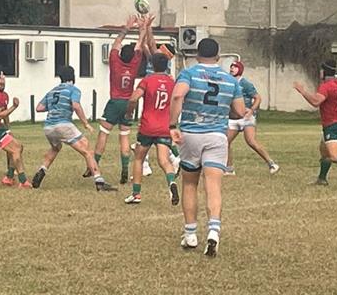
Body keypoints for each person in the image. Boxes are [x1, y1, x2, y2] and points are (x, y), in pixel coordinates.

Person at [172, 38, 246, 256]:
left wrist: (171, 124)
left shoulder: (189, 73)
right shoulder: (230, 80)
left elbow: (178, 95)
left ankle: (190, 234)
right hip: (216, 136)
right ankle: (213, 231)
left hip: (192, 134)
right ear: (218, 56)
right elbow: (240, 111)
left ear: (196, 54)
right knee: (213, 186)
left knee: (189, 184)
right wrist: (224, 112)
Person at [30, 65, 115, 191]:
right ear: (73, 76)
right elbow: (76, 105)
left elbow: (39, 108)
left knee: (55, 148)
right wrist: (85, 123)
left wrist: (55, 106)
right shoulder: (73, 89)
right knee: (87, 149)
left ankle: (42, 170)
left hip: (48, 127)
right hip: (63, 124)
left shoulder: (52, 91)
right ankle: (99, 180)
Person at [92, 16, 148, 185]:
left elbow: (117, 42)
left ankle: (93, 166)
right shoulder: (134, 64)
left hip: (115, 101)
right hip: (129, 102)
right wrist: (142, 28)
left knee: (104, 133)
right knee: (124, 137)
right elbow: (140, 43)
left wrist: (127, 27)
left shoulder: (115, 61)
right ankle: (124, 169)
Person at [123, 52, 179, 205]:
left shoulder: (148, 80)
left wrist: (129, 113)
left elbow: (134, 98)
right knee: (164, 160)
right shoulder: (172, 83)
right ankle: (171, 184)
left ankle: (136, 194)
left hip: (148, 126)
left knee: (139, 159)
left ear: (152, 65)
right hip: (164, 126)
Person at [223, 60, 279, 176]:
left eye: (235, 67)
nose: (232, 69)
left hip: (246, 118)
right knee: (225, 142)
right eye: (231, 67)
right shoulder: (228, 82)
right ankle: (229, 169)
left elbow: (257, 98)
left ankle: (271, 163)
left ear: (240, 70)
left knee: (251, 141)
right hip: (233, 119)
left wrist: (252, 110)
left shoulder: (245, 83)